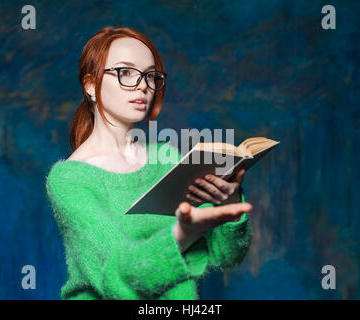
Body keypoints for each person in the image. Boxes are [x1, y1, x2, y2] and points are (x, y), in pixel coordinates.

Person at [45, 26, 253, 300]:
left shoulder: (166, 157)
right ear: (91, 85)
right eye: (126, 72)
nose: (143, 85)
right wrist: (182, 234)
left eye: (151, 75)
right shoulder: (69, 180)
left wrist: (229, 200)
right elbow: (116, 273)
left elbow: (226, 255)